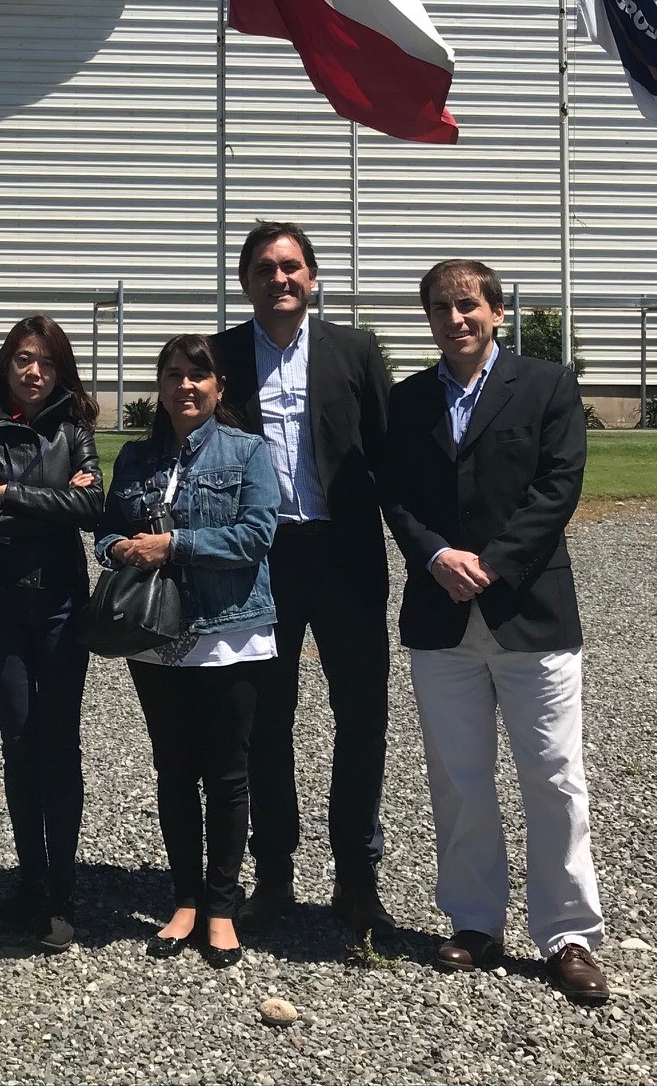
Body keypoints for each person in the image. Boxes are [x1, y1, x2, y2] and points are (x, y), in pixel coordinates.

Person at [378, 258, 610, 1005]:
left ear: (498, 312)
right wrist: (438, 556)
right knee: (459, 778)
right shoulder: (407, 400)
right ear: (429, 319)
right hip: (441, 617)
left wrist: (496, 562)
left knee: (553, 776)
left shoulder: (546, 385)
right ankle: (475, 921)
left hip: (528, 613)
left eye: (469, 305)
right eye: (442, 308)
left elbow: (558, 485)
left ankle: (568, 934)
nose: (457, 319)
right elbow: (398, 494)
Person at [213, 222, 395, 933]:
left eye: (291, 267)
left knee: (362, 719)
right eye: (264, 268)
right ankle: (276, 873)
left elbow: (387, 451)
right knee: (265, 721)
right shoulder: (223, 356)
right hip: (261, 561)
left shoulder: (353, 350)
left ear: (312, 277)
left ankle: (356, 875)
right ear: (246, 282)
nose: (279, 278)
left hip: (345, 555)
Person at [98, 334, 279, 970]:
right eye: (172, 375)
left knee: (228, 773)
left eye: (198, 376)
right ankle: (185, 899)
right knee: (174, 770)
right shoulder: (137, 456)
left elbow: (258, 534)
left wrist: (171, 547)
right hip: (157, 635)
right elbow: (110, 528)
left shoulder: (249, 451)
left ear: (218, 387)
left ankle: (223, 907)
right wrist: (120, 547)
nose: (185, 387)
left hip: (229, 629)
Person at [0, 314, 104, 952]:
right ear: (6, 364)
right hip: (0, 608)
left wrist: (12, 491)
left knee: (60, 739)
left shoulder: (73, 427)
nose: (34, 372)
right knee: (19, 741)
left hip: (62, 608)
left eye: (46, 362)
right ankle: (30, 873)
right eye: (22, 359)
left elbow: (93, 507)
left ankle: (62, 884)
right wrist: (49, 500)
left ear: (60, 369)